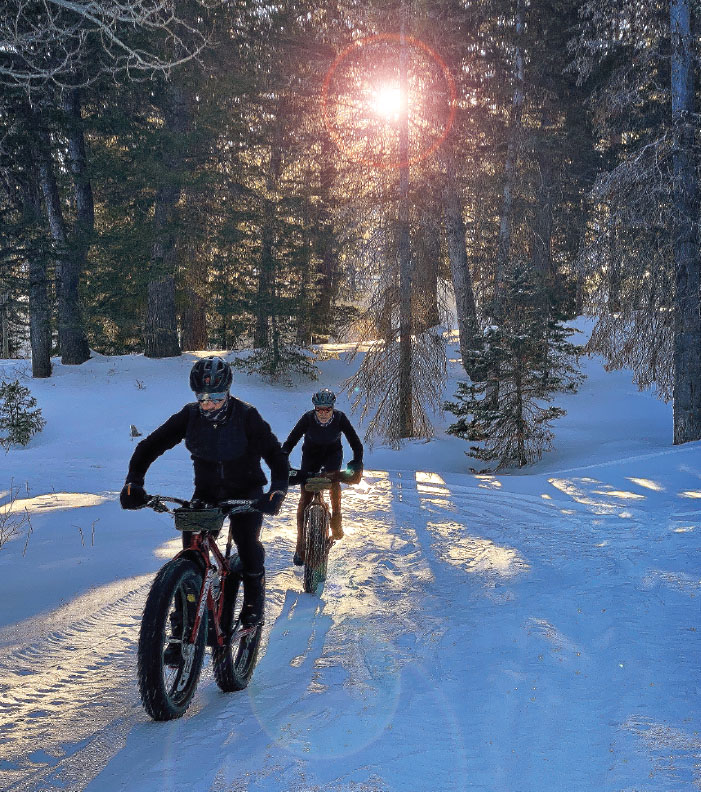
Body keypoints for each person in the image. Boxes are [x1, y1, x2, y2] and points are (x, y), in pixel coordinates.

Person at [119, 356, 288, 630]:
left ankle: (253, 602)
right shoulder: (189, 416)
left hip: (247, 490)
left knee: (247, 544)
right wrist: (133, 482)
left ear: (228, 392)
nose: (208, 404)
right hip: (207, 492)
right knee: (192, 553)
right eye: (202, 398)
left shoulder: (247, 416)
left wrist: (277, 490)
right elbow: (148, 447)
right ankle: (182, 620)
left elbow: (275, 455)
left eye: (217, 397)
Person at [282, 388, 363, 565]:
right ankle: (300, 545)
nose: (323, 413)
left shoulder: (340, 419)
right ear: (315, 409)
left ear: (333, 408)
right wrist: (283, 460)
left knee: (333, 482)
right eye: (320, 409)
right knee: (305, 497)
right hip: (310, 455)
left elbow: (356, 443)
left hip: (333, 454)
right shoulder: (307, 419)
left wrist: (356, 463)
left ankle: (336, 519)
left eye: (327, 409)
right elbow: (290, 442)